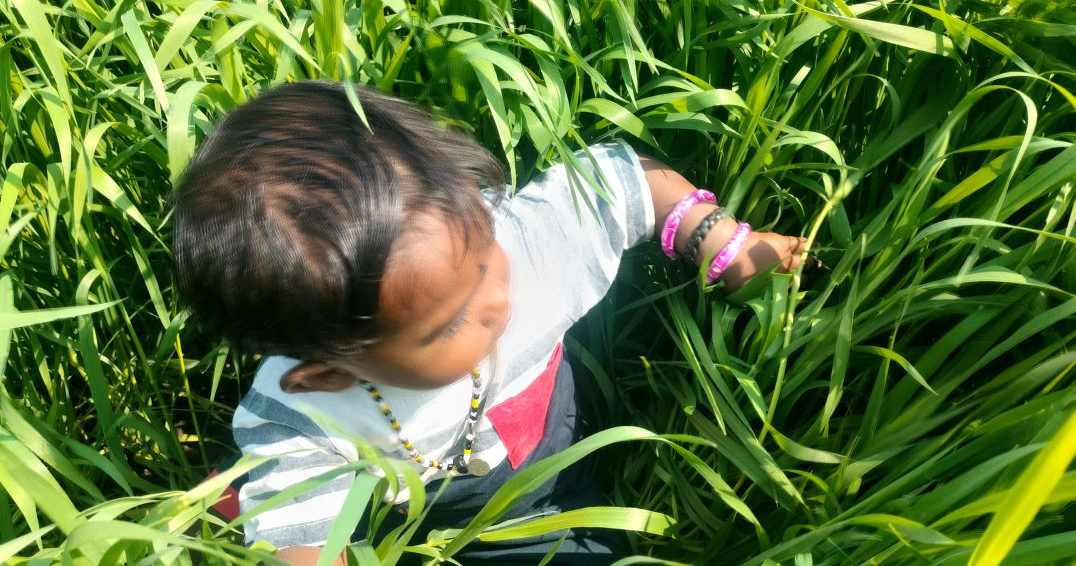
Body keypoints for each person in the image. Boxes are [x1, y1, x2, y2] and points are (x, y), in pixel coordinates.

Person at [172, 81, 807, 565]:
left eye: (484, 252)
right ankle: (250, 498)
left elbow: (623, 181)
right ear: (329, 373)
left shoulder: (523, 244)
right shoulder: (304, 421)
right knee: (289, 501)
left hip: (550, 476)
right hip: (427, 520)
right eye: (449, 324)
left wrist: (722, 243)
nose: (498, 300)